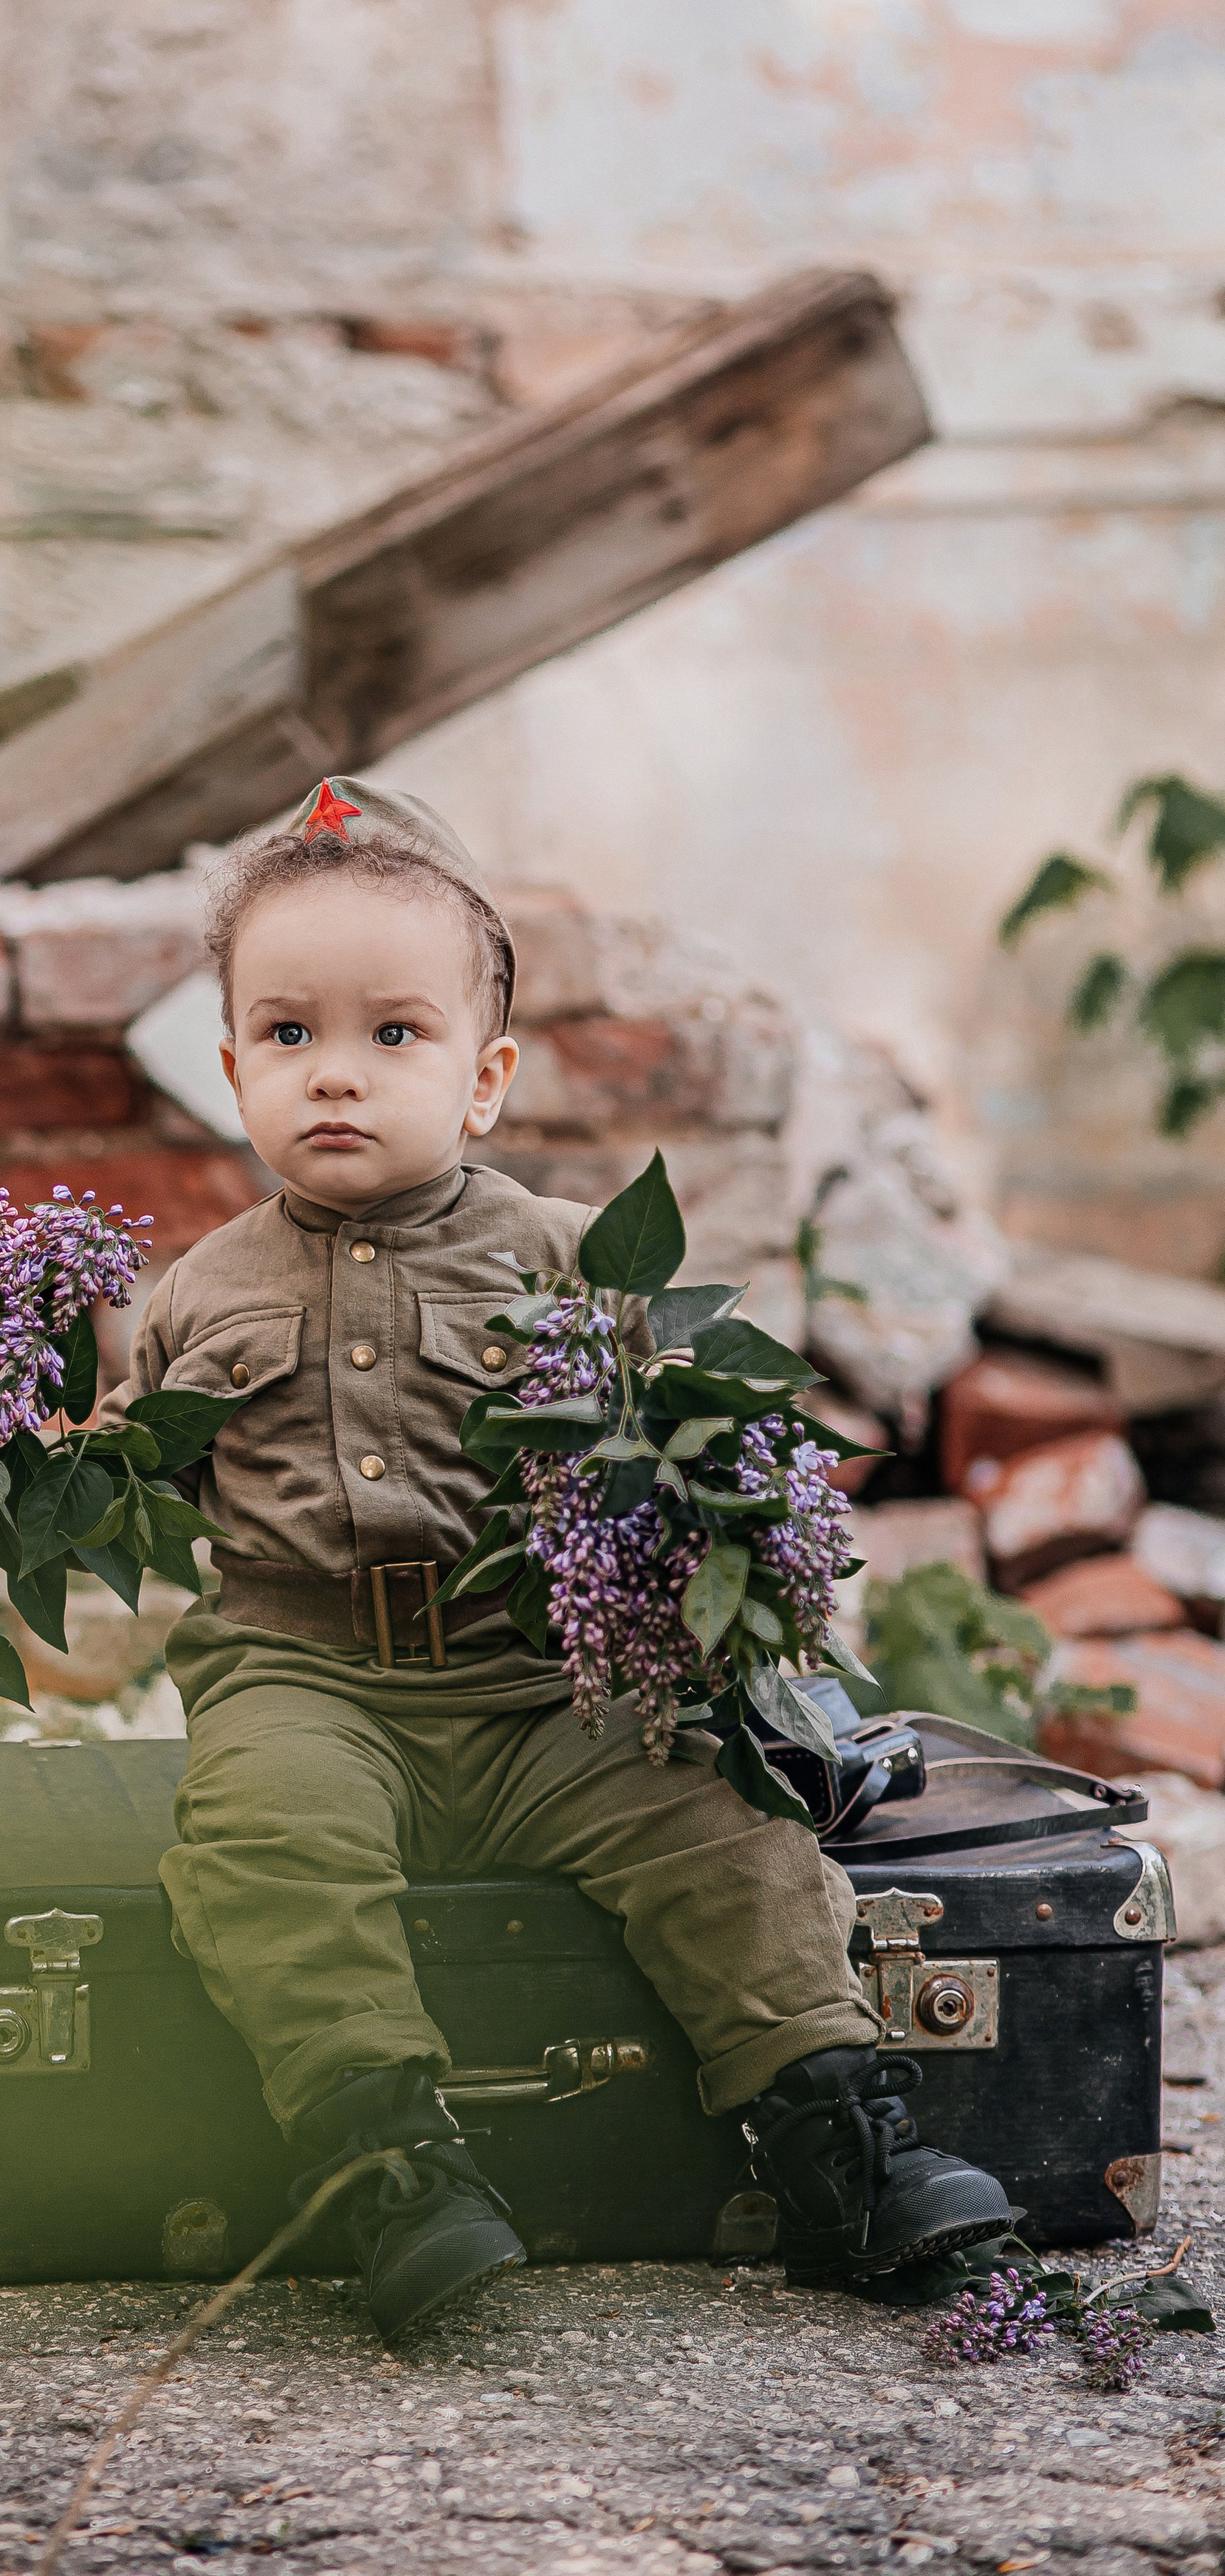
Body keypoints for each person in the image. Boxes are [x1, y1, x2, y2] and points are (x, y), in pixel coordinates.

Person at [106, 775, 1009, 2340]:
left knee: (716, 1821)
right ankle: (381, 2160)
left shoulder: (573, 1263)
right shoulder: (192, 1294)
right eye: (288, 1034)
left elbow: (697, 1452)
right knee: (264, 1839)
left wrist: (728, 1557)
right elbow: (127, 1477)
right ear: (233, 1068)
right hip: (304, 1677)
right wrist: (23, 1465)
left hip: (546, 1688)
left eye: (393, 1035)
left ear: (482, 1079)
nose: (336, 1076)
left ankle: (834, 2136)